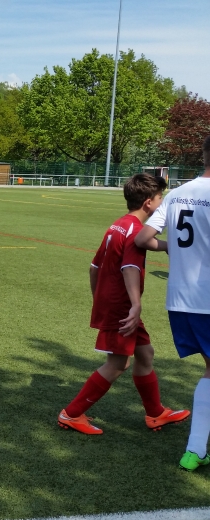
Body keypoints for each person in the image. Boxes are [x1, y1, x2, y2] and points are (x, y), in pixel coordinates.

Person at [57, 174, 189, 435]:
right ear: (149, 203)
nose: (162, 203)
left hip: (115, 303)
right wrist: (135, 305)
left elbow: (94, 267)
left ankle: (155, 413)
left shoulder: (118, 225)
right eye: (160, 198)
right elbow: (130, 267)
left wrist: (100, 298)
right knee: (118, 363)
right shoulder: (135, 231)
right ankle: (71, 414)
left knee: (145, 354)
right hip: (123, 307)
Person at [134, 135, 210, 471]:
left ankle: (196, 450)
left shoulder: (177, 194)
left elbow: (142, 238)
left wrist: (173, 248)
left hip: (180, 300)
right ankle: (195, 449)